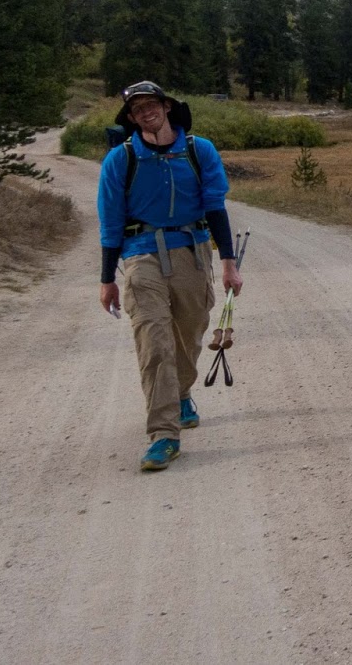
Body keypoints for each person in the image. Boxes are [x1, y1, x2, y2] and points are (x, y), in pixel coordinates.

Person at [97, 81, 242, 471]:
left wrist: (228, 263)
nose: (147, 112)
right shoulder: (120, 160)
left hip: (192, 252)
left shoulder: (199, 150)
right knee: (154, 340)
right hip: (140, 256)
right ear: (131, 118)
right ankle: (164, 433)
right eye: (138, 109)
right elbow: (110, 222)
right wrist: (107, 277)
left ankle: (180, 393)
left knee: (190, 333)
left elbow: (215, 207)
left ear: (166, 107)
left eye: (152, 104)